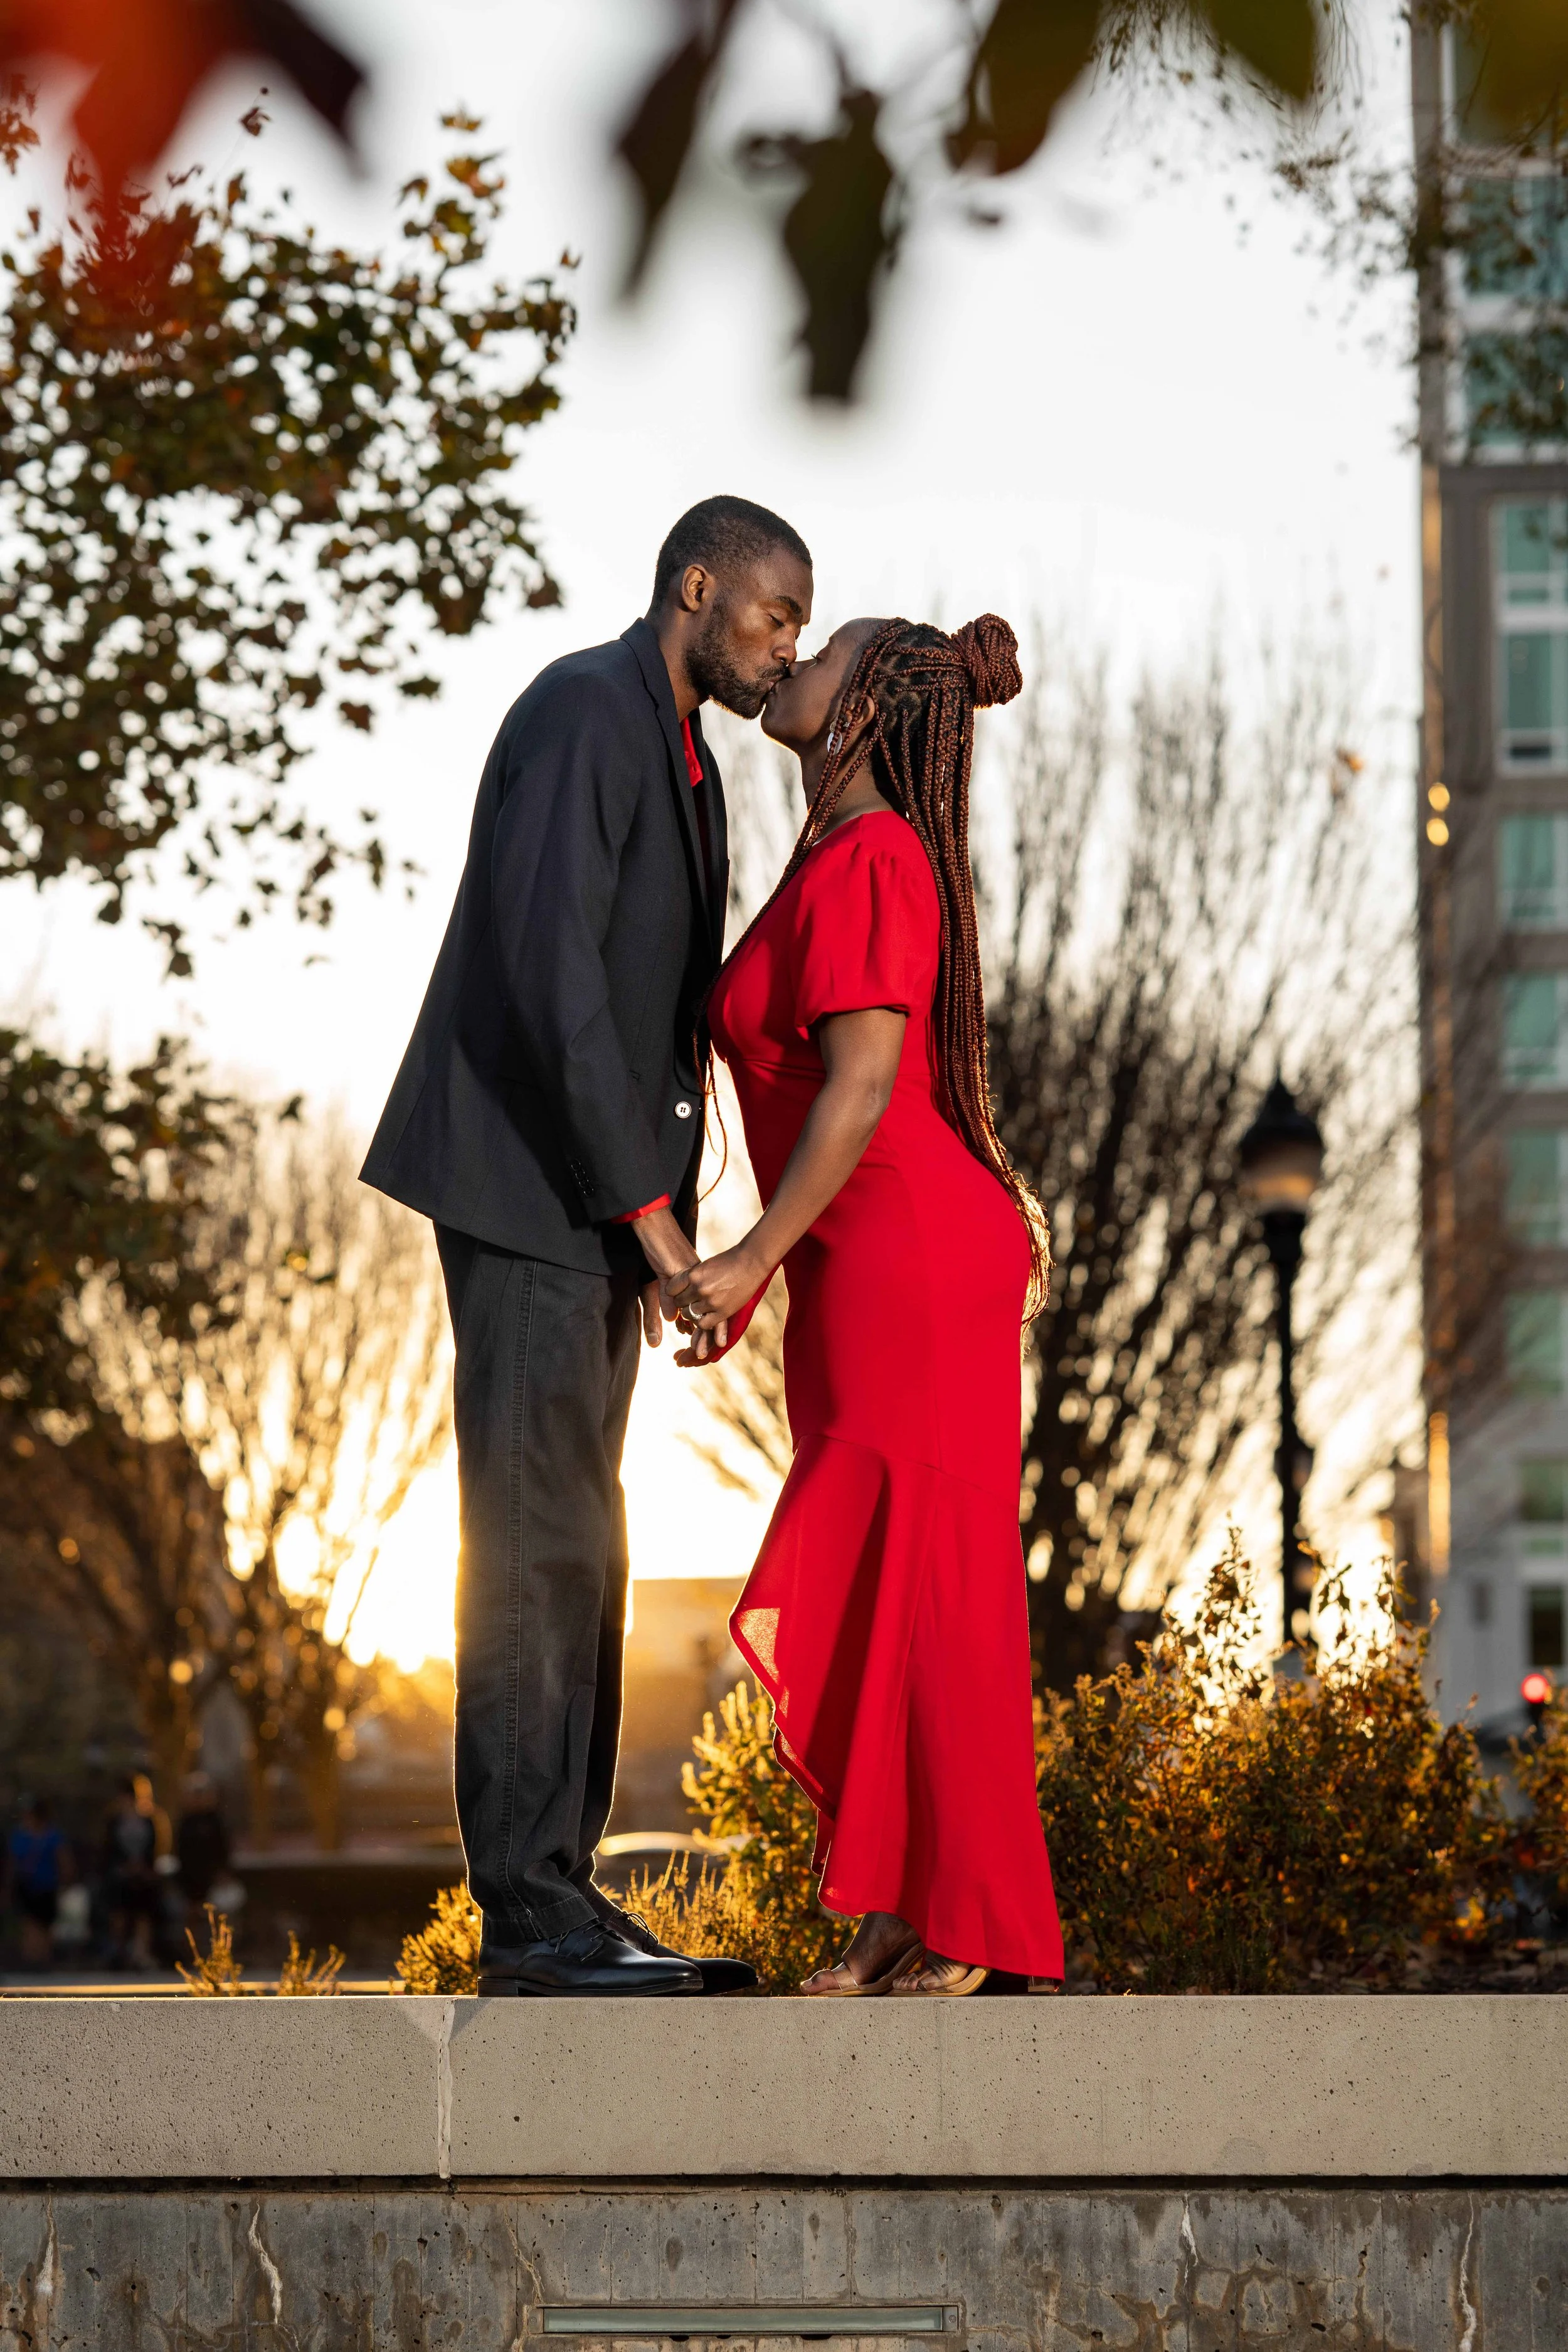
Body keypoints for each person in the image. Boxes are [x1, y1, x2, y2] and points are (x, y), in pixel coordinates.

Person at [362, 496, 814, 1996]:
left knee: (586, 1540)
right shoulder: (579, 709)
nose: (784, 649)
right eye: (773, 616)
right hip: (523, 1187)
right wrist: (656, 1218)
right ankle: (526, 1903)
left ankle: (565, 1883)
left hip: (594, 1214)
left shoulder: (687, 761)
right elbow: (548, 968)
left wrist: (654, 1224)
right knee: (530, 1531)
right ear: (697, 588)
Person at [668, 613, 1064, 1996]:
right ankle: (901, 1910)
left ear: (871, 706)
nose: (790, 661)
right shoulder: (830, 854)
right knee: (888, 1581)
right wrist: (762, 1254)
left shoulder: (882, 853)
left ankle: (966, 1919)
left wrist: (748, 1254)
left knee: (928, 1582)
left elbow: (853, 1088)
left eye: (822, 649)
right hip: (859, 1257)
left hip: (905, 1249)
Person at [103, 1772, 168, 1970]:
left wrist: (146, 1867)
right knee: (120, 1915)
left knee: (144, 1915)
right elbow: (108, 1849)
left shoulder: (150, 1819)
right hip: (121, 1875)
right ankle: (120, 1953)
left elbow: (157, 1846)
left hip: (144, 1875)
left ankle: (141, 1954)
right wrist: (123, 1866)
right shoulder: (114, 1821)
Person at [5, 1796, 68, 1971]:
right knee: (30, 1924)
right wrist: (8, 1888)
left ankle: (43, 1961)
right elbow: (12, 1864)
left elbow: (63, 1860)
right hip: (26, 1887)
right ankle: (32, 1960)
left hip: (47, 1887)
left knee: (45, 1926)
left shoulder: (52, 1835)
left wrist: (65, 1880)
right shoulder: (20, 1836)